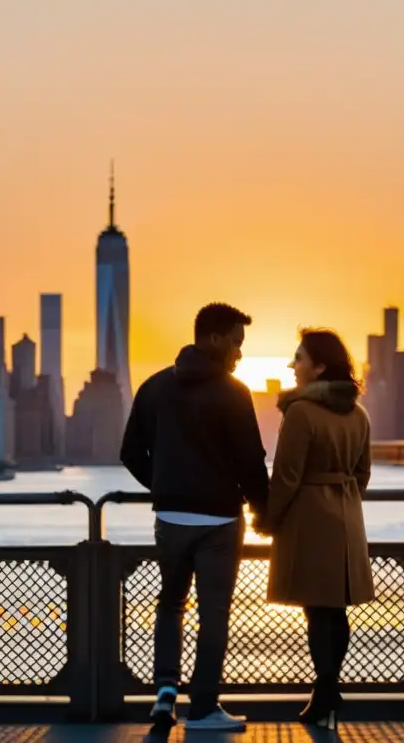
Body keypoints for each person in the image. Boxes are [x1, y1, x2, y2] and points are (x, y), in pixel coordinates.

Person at [120, 302, 269, 732]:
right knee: (213, 614)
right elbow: (251, 463)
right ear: (216, 339)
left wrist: (166, 486)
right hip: (220, 522)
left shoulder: (153, 388)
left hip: (170, 518)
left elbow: (129, 453)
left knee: (170, 605)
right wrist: (265, 512)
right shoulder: (234, 393)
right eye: (237, 344)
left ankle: (164, 694)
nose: (239, 354)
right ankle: (202, 708)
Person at [257, 329, 374, 730]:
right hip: (347, 518)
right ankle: (329, 690)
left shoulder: (301, 412)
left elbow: (286, 476)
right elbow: (362, 474)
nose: (292, 365)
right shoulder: (359, 414)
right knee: (335, 607)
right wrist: (343, 499)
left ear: (320, 366)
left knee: (314, 608)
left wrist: (268, 519)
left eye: (300, 358)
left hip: (309, 517)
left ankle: (324, 692)